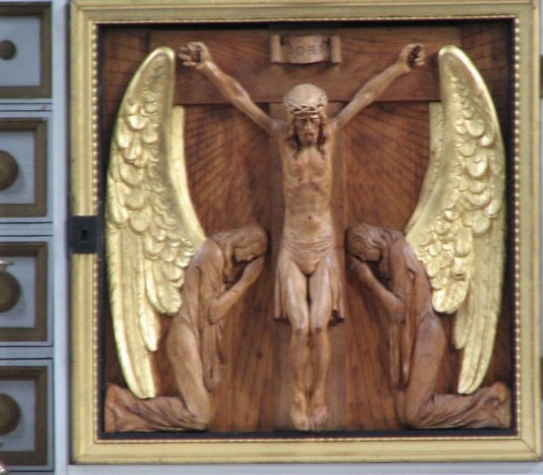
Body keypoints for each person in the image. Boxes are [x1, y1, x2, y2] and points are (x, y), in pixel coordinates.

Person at [179, 41, 425, 431]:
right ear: (292, 123)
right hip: (293, 248)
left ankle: (319, 395)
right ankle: (298, 394)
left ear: (322, 120)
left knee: (319, 326)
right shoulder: (280, 138)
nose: (309, 129)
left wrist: (398, 66)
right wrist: (208, 67)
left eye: (314, 122)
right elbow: (241, 99)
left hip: (323, 247)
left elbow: (366, 96)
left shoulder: (332, 135)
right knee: (299, 326)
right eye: (303, 123)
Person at [346, 223, 510, 429]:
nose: (366, 260)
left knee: (414, 415)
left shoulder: (399, 251)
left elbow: (398, 310)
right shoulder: (398, 249)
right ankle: (486, 411)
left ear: (369, 242)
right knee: (405, 416)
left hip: (424, 334)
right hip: (413, 335)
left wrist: (368, 279)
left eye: (362, 254)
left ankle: (489, 402)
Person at [105, 225, 267, 432]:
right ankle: (122, 401)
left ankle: (123, 411)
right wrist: (245, 282)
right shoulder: (212, 253)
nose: (248, 259)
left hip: (192, 337)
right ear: (243, 240)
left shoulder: (216, 254)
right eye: (252, 253)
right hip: (186, 337)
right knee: (200, 416)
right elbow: (212, 312)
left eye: (254, 258)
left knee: (200, 416)